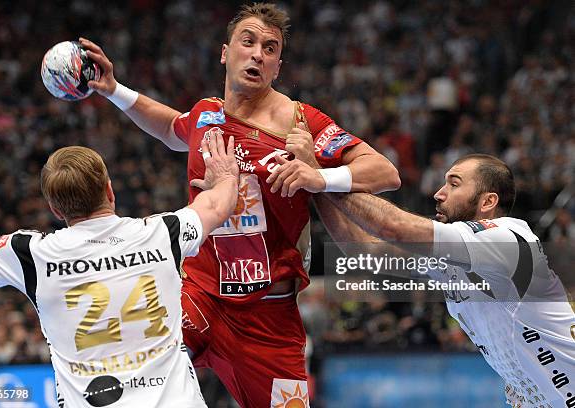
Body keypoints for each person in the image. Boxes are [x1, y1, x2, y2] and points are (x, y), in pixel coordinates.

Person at [79, 3, 401, 407]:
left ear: (277, 66)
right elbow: (170, 127)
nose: (257, 54)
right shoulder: (205, 114)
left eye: (270, 48)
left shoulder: (300, 122)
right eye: (247, 42)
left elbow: (385, 172)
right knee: (130, 380)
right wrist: (114, 90)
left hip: (270, 316)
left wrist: (318, 175)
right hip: (199, 295)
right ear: (225, 52)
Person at [0, 131, 239, 407]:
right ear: (109, 190)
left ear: (55, 210)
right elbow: (217, 205)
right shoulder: (163, 233)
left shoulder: (33, 256)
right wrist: (225, 175)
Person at [312, 154, 575, 408]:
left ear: (488, 202)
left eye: (454, 183)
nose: (439, 193)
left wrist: (324, 177)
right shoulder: (454, 258)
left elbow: (393, 226)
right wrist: (316, 184)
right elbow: (366, 251)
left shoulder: (507, 239)